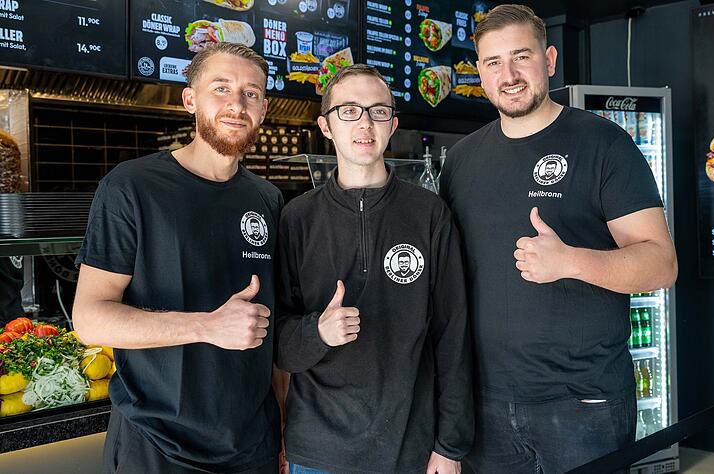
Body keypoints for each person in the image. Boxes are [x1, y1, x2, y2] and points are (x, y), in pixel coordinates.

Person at [440, 5, 678, 474]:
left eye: (521, 56)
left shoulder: (605, 144)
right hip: (485, 403)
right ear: (480, 74)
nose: (508, 75)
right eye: (493, 62)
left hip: (584, 403)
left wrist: (569, 261)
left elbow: (661, 264)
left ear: (549, 61)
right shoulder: (462, 161)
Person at [72, 43, 283, 473]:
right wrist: (207, 326)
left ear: (263, 109)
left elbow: (275, 330)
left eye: (251, 93)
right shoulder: (131, 186)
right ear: (190, 100)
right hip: (156, 446)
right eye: (220, 88)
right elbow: (90, 318)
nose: (236, 105)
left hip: (251, 447)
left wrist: (282, 429)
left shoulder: (268, 199)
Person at [274, 64, 473, 474]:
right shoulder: (296, 218)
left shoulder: (429, 214)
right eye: (349, 110)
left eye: (378, 111)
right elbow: (278, 344)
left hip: (410, 450)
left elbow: (453, 334)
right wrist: (317, 332)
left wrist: (450, 446)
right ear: (326, 126)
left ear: (392, 124)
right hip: (318, 454)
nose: (365, 123)